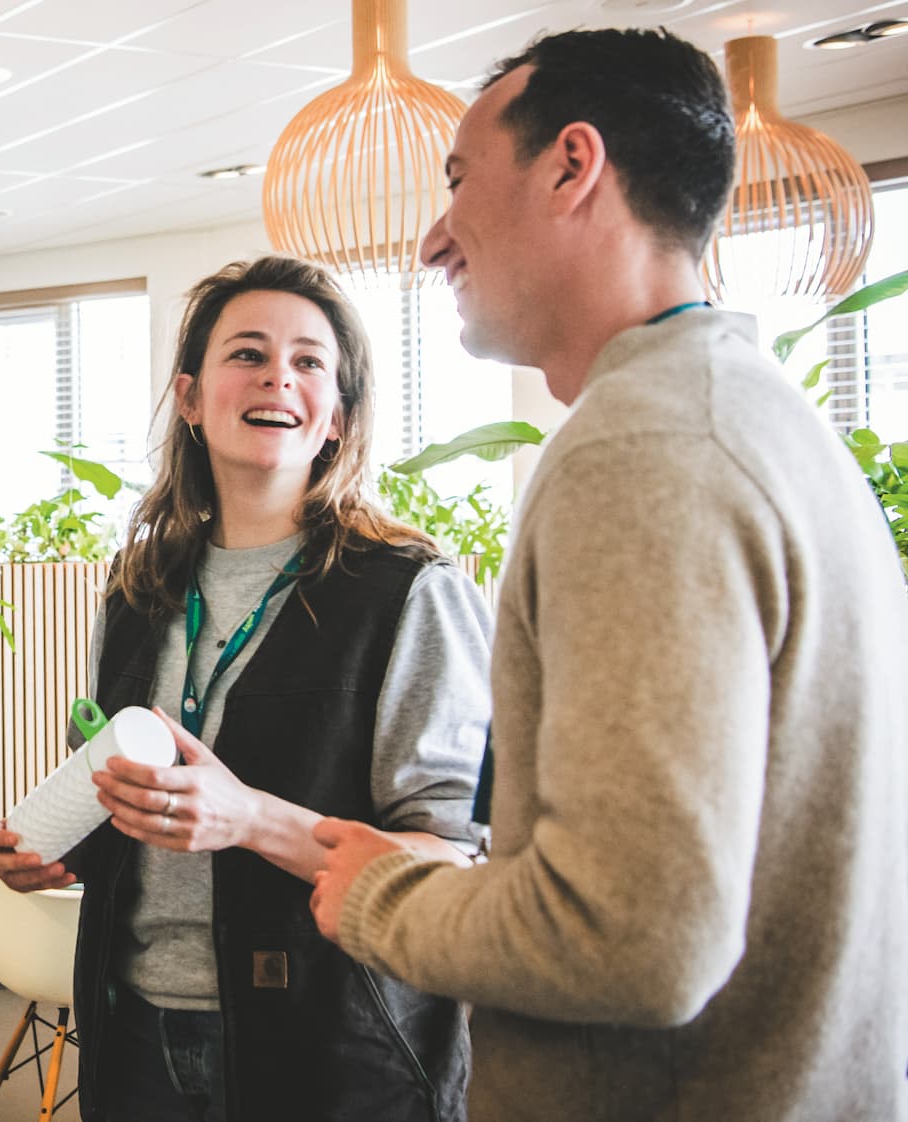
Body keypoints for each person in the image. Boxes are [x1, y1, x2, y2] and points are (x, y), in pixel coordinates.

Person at [308, 29, 908, 1121]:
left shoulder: (643, 451)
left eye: (455, 183)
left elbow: (631, 939)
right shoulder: (766, 423)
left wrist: (382, 898)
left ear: (571, 166)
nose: (432, 242)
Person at [0, 254, 491, 1121]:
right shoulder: (137, 588)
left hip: (331, 1048)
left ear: (336, 414)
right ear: (190, 397)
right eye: (247, 354)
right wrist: (71, 843)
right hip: (135, 1030)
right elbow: (130, 795)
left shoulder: (409, 589)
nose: (277, 379)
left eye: (308, 362)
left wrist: (251, 819)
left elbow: (454, 861)